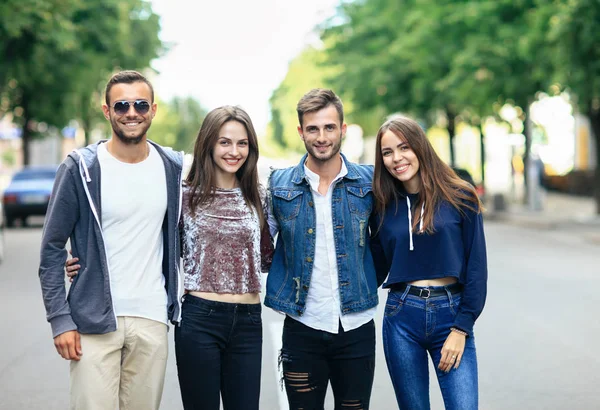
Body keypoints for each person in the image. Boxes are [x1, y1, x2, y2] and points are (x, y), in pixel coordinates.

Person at [39, 70, 183, 410]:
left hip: (151, 318)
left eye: (140, 104)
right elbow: (51, 248)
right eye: (121, 106)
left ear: (153, 110)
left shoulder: (171, 167)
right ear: (107, 112)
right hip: (93, 320)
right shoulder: (81, 168)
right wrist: (60, 319)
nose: (131, 113)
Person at [266, 88, 383, 409]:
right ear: (301, 131)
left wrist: (366, 278)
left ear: (342, 130)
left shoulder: (368, 183)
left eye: (329, 127)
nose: (321, 137)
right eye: (313, 128)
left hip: (356, 327)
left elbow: (385, 243)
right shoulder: (280, 186)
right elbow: (261, 249)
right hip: (302, 327)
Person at [369, 116, 487, 410]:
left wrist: (462, 328)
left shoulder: (460, 196)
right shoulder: (383, 205)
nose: (397, 158)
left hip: (451, 315)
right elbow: (375, 266)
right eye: (387, 152)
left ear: (420, 147)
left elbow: (476, 268)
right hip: (401, 317)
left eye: (404, 147)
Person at [175, 105, 273, 410]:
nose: (234, 151)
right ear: (209, 144)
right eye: (225, 142)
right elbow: (152, 249)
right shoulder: (184, 197)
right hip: (199, 319)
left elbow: (268, 257)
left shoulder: (259, 196)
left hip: (248, 321)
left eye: (242, 143)